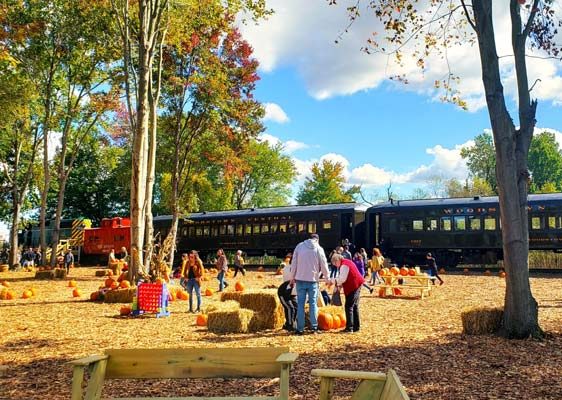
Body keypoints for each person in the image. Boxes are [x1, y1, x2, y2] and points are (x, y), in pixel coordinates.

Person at [289, 233, 330, 335]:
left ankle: (300, 328)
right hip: (313, 281)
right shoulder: (318, 248)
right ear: (317, 239)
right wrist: (327, 278)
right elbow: (324, 264)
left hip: (300, 279)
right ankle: (314, 327)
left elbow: (294, 263)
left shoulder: (299, 246)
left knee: (301, 305)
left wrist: (292, 278)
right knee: (312, 304)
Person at [330, 253, 365, 333]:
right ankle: (356, 326)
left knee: (348, 306)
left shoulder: (344, 265)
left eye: (335, 263)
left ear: (337, 260)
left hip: (354, 285)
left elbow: (342, 279)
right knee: (354, 305)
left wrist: (332, 280)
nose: (336, 266)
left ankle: (350, 328)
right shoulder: (347, 262)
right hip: (357, 284)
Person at [277, 253, 297, 332]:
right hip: (283, 292)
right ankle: (289, 325)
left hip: (291, 292)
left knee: (296, 307)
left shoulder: (292, 268)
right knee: (289, 307)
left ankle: (289, 323)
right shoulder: (288, 268)